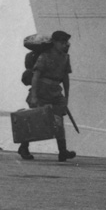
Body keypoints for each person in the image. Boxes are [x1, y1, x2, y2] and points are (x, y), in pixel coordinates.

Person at [21, 30, 75, 162]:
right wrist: (34, 96)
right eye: (62, 42)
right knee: (37, 121)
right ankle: (24, 147)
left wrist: (66, 96)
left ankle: (62, 152)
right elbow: (36, 76)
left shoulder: (65, 58)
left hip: (56, 92)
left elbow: (65, 78)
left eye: (66, 42)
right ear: (54, 43)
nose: (66, 45)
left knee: (59, 122)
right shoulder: (44, 56)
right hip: (41, 91)